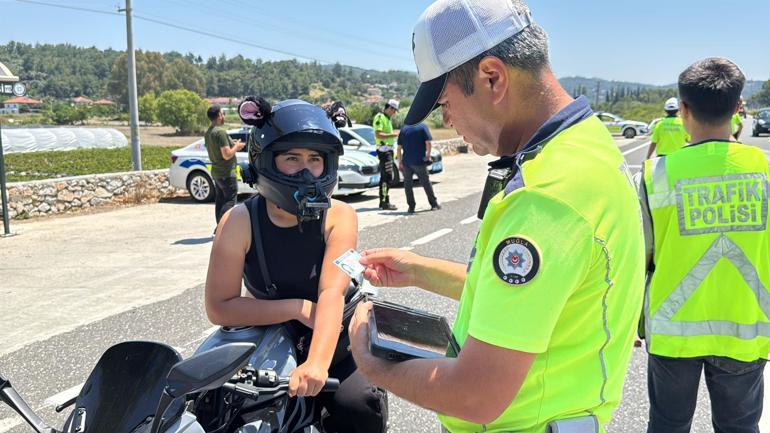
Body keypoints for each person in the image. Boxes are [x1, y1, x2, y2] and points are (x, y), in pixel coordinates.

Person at [348, 0, 645, 432]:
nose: (448, 119)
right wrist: (419, 270)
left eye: (444, 102)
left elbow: (476, 393)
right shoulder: (585, 145)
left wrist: (371, 363)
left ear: (492, 77)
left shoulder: (545, 197)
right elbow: (531, 300)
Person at [205, 98, 387, 433]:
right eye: (292, 158)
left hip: (338, 338)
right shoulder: (239, 221)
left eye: (315, 159)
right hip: (271, 336)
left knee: (358, 406)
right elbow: (219, 307)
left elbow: (332, 292)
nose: (306, 171)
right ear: (266, 162)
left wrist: (318, 363)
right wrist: (297, 308)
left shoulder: (339, 215)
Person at [640, 58, 769, 433]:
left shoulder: (655, 176)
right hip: (745, 325)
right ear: (737, 106)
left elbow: (643, 255)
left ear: (683, 109)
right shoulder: (764, 169)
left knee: (667, 425)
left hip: (672, 328)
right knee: (740, 427)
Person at [204, 104, 245, 229]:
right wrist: (237, 147)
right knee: (230, 201)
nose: (224, 116)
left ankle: (219, 227)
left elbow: (221, 149)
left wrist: (234, 145)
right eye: (223, 113)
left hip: (217, 173)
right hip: (227, 173)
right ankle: (222, 227)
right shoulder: (220, 132)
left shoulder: (209, 132)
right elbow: (226, 155)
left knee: (220, 201)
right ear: (219, 116)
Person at [397, 122, 440, 213]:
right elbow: (428, 143)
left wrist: (400, 162)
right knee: (426, 183)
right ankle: (434, 204)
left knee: (408, 185)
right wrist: (428, 156)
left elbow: (399, 148)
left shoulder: (404, 129)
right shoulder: (422, 127)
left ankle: (411, 207)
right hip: (419, 161)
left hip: (406, 162)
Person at [373, 99, 400, 210]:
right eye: (394, 111)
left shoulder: (387, 119)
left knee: (386, 176)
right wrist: (393, 135)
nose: (394, 113)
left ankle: (383, 201)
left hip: (388, 151)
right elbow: (378, 134)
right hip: (384, 151)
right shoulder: (380, 117)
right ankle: (385, 202)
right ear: (390, 108)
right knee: (387, 177)